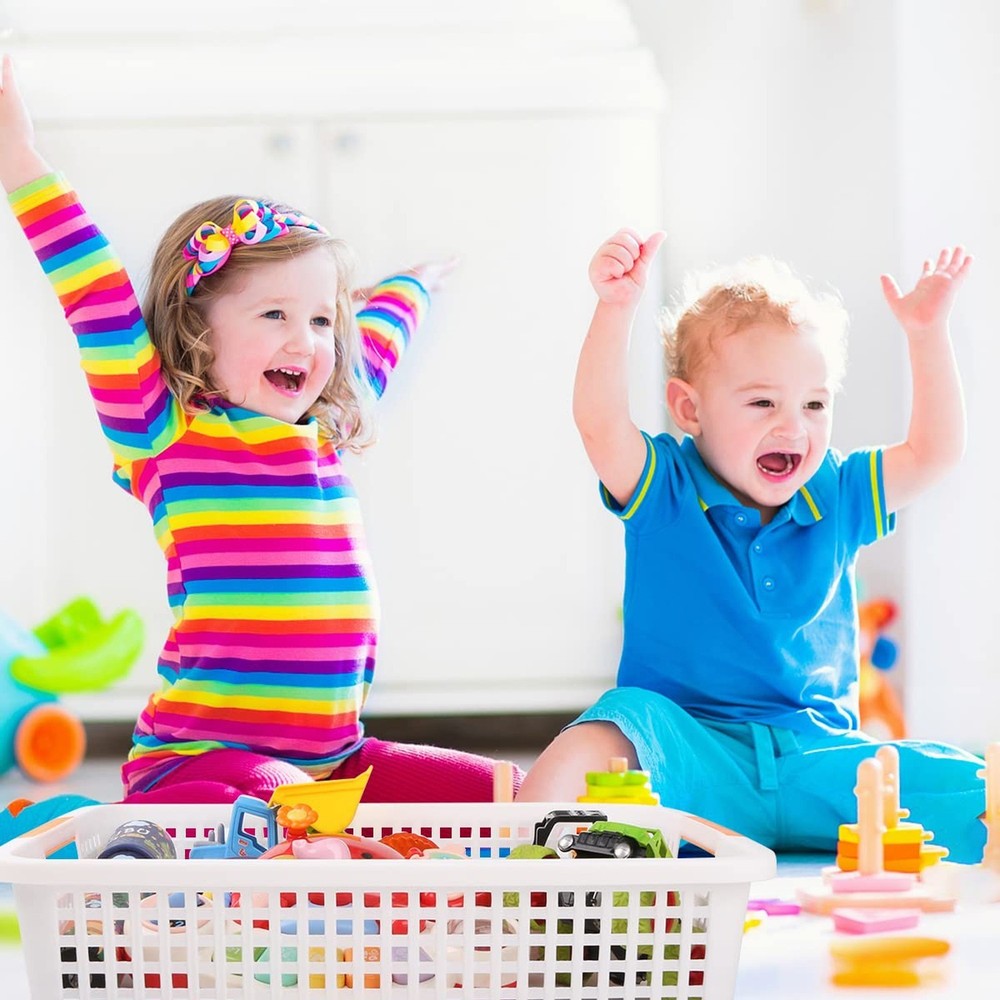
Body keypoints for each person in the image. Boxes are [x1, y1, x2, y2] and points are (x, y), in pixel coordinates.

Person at [0, 55, 521, 807]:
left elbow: (378, 332)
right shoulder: (164, 430)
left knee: (513, 793)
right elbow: (94, 293)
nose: (305, 341)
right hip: (199, 762)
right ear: (196, 328)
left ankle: (326, 844)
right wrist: (20, 157)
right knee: (284, 808)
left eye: (319, 319)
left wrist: (418, 282)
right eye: (274, 314)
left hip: (335, 760)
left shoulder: (331, 423)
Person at [516, 225, 989, 864]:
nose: (794, 426)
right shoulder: (666, 487)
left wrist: (927, 335)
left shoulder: (841, 490)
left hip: (822, 758)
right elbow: (600, 424)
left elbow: (935, 452)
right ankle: (527, 874)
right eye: (763, 402)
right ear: (689, 409)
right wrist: (615, 307)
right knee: (604, 732)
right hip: (692, 759)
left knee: (966, 780)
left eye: (815, 404)